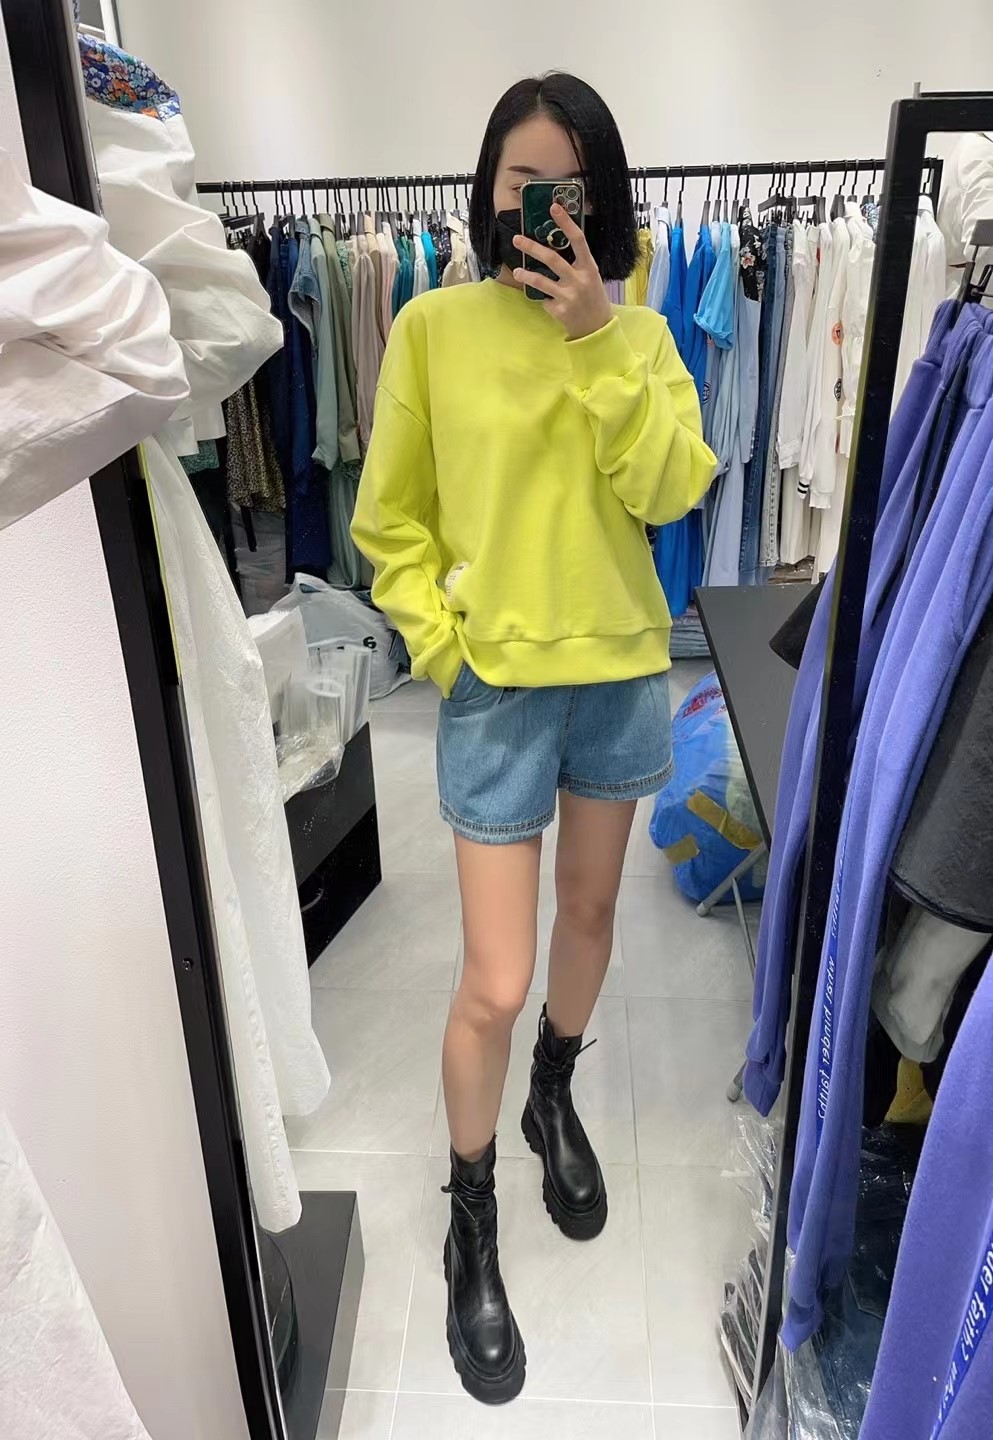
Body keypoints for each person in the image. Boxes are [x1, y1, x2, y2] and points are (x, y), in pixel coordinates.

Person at [351, 71, 716, 1405]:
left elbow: (672, 487)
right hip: (496, 688)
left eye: (566, 183)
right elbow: (388, 520)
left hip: (618, 673)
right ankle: (471, 1211)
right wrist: (444, 646)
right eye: (521, 181)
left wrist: (600, 334)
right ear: (489, 190)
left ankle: (551, 1092)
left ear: (596, 198)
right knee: (492, 983)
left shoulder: (641, 330)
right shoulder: (430, 328)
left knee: (593, 916)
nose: (542, 204)